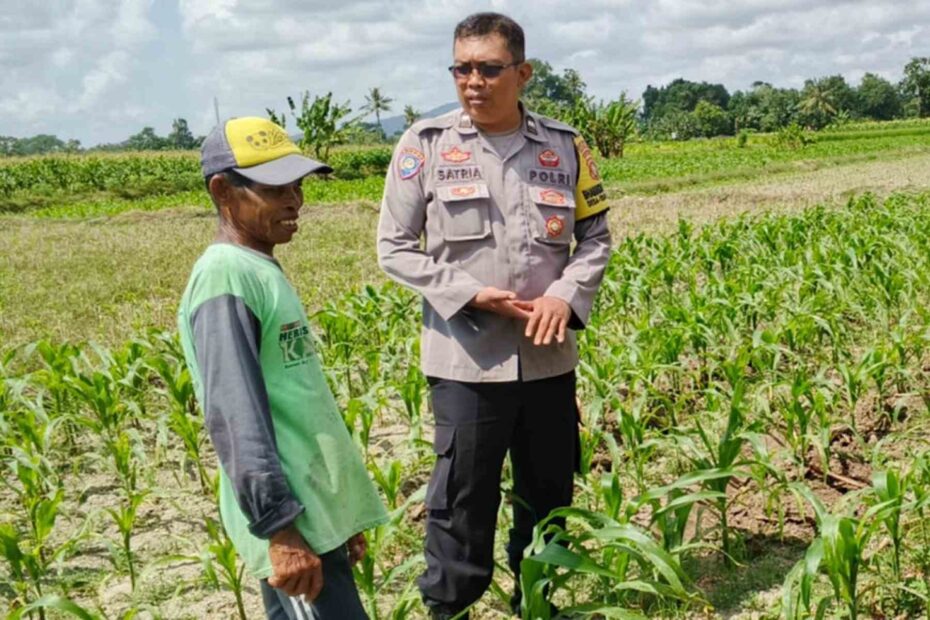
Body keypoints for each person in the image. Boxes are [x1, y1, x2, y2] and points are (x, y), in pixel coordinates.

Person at [377, 12, 612, 619]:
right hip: (466, 364)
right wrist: (468, 293)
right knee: (460, 505)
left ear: (523, 73)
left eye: (488, 68)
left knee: (548, 501)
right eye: (462, 68)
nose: (472, 81)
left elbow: (595, 237)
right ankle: (447, 611)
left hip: (547, 363)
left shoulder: (565, 147)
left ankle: (540, 603)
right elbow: (394, 249)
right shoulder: (424, 147)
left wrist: (565, 295)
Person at [177, 116, 388, 620]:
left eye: (296, 185)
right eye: (275, 189)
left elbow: (297, 404)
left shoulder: (257, 267)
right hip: (292, 529)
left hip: (314, 519)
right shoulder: (225, 276)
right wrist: (279, 528)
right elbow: (235, 417)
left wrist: (340, 514)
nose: (295, 200)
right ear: (223, 191)